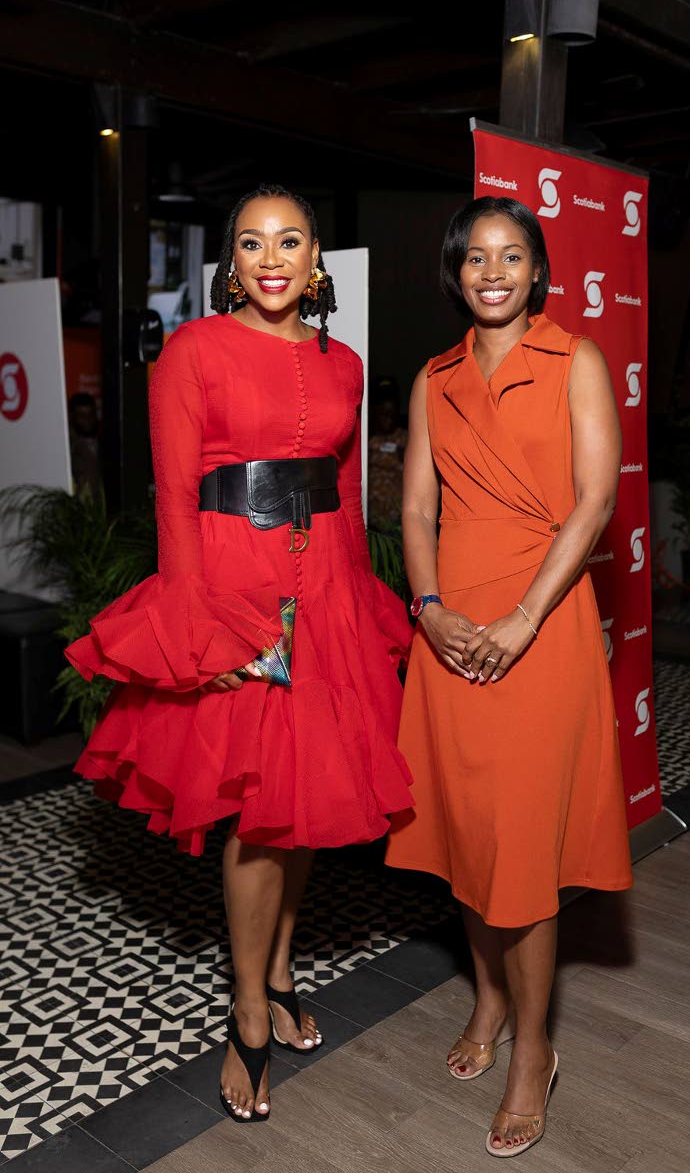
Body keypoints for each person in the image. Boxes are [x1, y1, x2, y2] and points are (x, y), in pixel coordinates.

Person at [66, 185, 413, 1125]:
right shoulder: (193, 352)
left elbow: (346, 495)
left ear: (313, 263)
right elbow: (173, 501)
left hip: (325, 596)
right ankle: (248, 1006)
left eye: (290, 241)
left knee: (300, 801)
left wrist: (350, 620)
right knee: (258, 815)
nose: (272, 257)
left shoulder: (345, 364)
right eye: (252, 242)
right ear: (231, 261)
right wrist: (198, 633)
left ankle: (285, 963)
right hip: (234, 591)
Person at [385, 197, 633, 1157]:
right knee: (464, 832)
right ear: (457, 273)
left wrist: (524, 618)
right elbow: (414, 510)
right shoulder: (435, 377)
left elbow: (598, 498)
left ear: (538, 271)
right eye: (475, 258)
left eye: (512, 257)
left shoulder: (574, 360)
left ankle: (535, 1050)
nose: (493, 273)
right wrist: (431, 610)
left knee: (522, 857)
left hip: (542, 625)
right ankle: (487, 997)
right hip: (448, 633)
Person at [367, 377, 407, 527]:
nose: (387, 419)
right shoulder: (364, 439)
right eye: (383, 413)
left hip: (397, 525)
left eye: (391, 413)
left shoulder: (407, 438)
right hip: (371, 526)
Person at [67, 391, 101, 495]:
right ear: (72, 416)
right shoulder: (67, 448)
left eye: (91, 414)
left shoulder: (106, 442)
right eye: (82, 415)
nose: (88, 420)